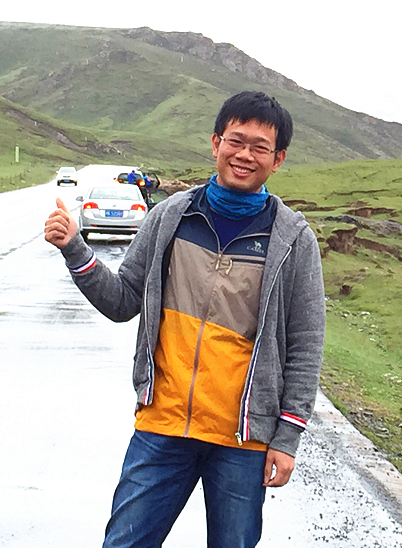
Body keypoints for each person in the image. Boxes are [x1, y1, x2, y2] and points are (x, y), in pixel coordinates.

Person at [43, 91, 326, 548]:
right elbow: (122, 301)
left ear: (278, 159)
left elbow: (306, 342)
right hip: (163, 425)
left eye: (260, 147)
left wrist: (287, 436)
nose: (245, 155)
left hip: (243, 439)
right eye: (236, 141)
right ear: (216, 144)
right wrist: (76, 250)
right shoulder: (171, 217)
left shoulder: (293, 239)